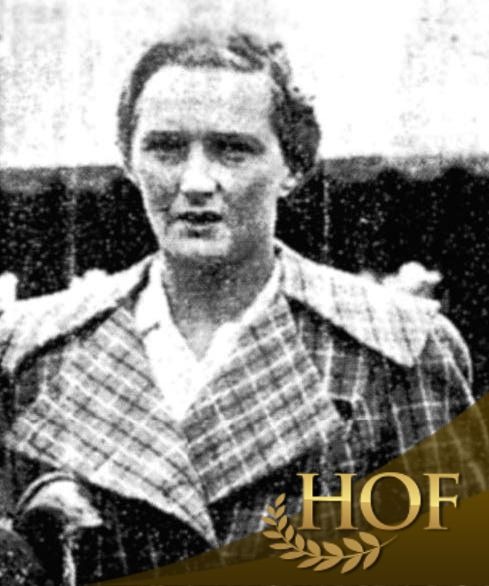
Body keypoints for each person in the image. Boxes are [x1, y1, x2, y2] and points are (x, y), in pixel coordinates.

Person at [0, 30, 481, 583]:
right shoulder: (31, 350)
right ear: (128, 161)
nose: (195, 181)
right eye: (165, 148)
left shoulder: (398, 351)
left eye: (232, 149)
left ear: (293, 167)